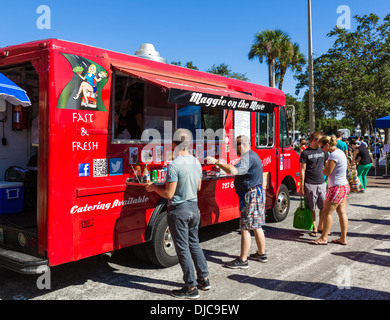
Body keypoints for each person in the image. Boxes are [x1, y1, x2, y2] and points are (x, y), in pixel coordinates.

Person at [145, 128, 209, 299]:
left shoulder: (174, 165)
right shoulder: (196, 162)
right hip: (194, 208)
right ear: (188, 144)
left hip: (179, 210)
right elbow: (199, 187)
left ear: (174, 144)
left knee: (182, 249)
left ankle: (191, 288)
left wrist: (153, 187)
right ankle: (204, 278)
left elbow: (169, 194)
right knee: (194, 243)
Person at [206, 135, 267, 269]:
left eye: (237, 145)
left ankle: (243, 260)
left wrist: (216, 162)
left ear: (243, 145)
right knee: (256, 225)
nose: (235, 149)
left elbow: (233, 170)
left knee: (245, 228)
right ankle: (262, 254)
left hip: (251, 195)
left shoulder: (248, 157)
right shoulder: (251, 156)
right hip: (255, 193)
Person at [312, 136, 350, 246]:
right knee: (342, 212)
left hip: (336, 187)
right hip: (343, 185)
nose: (322, 149)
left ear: (327, 145)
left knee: (327, 212)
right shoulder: (340, 152)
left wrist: (322, 168)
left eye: (322, 146)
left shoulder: (333, 155)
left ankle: (324, 238)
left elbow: (327, 172)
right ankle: (343, 238)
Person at [299, 131, 328, 237]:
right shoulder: (305, 153)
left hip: (321, 183)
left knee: (323, 207)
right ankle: (314, 227)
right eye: (320, 141)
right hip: (310, 183)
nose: (321, 143)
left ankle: (321, 226)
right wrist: (301, 187)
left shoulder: (323, 151)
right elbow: (302, 170)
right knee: (311, 207)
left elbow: (327, 165)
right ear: (314, 140)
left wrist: (328, 181)